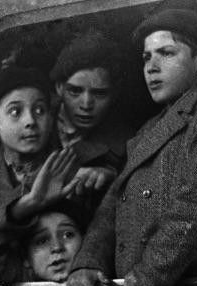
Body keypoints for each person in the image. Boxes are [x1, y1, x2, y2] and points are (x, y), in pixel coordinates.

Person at [66, 8, 197, 286]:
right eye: (147, 57)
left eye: (166, 53)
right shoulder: (149, 129)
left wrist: (151, 272)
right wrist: (89, 262)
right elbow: (114, 203)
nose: (152, 67)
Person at [0, 149, 86, 284]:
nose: (57, 247)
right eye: (41, 241)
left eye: (68, 234)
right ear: (26, 258)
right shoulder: (20, 278)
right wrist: (29, 203)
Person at [50, 32, 135, 202]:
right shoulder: (32, 118)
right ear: (59, 87)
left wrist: (114, 178)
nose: (86, 104)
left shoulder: (128, 141)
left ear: (115, 93)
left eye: (99, 93)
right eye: (75, 91)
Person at [0, 66, 54, 210]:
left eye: (39, 110)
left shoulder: (71, 170)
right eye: (15, 112)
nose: (30, 121)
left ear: (50, 119)